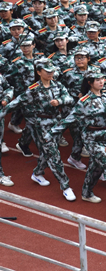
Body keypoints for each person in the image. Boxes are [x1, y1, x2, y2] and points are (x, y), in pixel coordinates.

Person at [47, 71, 106, 215]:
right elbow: (69, 119)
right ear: (90, 83)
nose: (101, 82)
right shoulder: (84, 101)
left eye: (102, 79)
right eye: (97, 80)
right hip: (92, 138)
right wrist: (51, 133)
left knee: (96, 167)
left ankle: (86, 193)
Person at [0, 59, 76, 201]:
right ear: (39, 72)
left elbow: (69, 98)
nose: (50, 73)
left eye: (52, 71)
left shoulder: (58, 85)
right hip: (41, 125)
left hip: (56, 124)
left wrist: (59, 101)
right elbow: (16, 103)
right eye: (47, 71)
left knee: (47, 152)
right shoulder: (33, 89)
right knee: (53, 154)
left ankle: (37, 173)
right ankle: (65, 186)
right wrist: (1, 113)